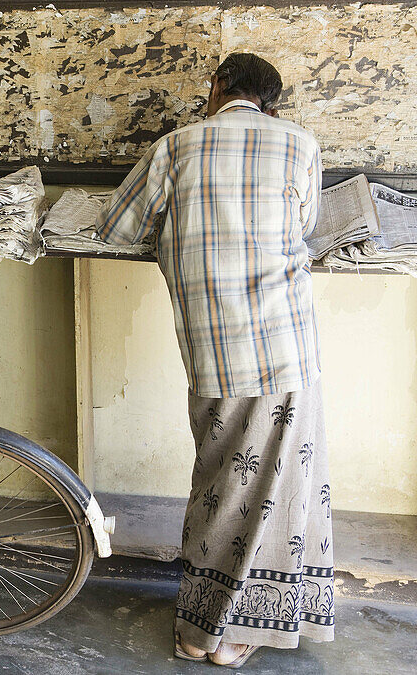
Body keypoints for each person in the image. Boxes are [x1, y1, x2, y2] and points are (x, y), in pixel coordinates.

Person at [94, 53, 333, 668]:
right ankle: (232, 631)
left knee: (220, 481)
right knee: (274, 487)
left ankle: (203, 627)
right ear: (270, 103)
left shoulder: (175, 147)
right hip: (285, 343)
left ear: (217, 88)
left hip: (212, 347)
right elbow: (304, 224)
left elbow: (119, 229)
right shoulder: (300, 145)